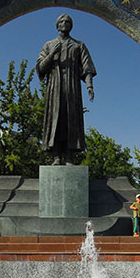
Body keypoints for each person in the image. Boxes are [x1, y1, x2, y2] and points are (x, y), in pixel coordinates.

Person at [36, 14, 96, 165]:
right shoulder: (49, 44)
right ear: (57, 26)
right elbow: (40, 68)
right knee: (55, 120)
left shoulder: (78, 45)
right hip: (54, 88)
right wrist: (51, 55)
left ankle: (69, 156)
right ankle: (56, 156)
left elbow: (87, 68)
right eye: (61, 22)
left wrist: (89, 86)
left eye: (68, 22)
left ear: (71, 25)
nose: (64, 24)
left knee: (71, 120)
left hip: (72, 88)